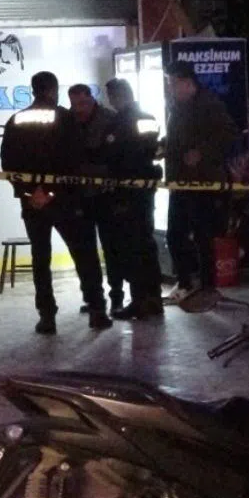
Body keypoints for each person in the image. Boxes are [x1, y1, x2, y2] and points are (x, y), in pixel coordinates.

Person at [1, 71, 111, 334]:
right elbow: (74, 160)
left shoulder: (17, 120)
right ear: (53, 90)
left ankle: (46, 316)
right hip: (66, 200)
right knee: (84, 254)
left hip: (32, 204)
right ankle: (96, 309)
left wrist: (30, 193)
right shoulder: (66, 118)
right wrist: (51, 192)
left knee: (40, 259)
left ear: (34, 90)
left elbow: (8, 163)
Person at [162, 60, 239, 302]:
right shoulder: (177, 107)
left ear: (187, 83)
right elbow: (178, 140)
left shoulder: (209, 104)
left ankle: (207, 286)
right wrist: (164, 147)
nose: (170, 88)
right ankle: (184, 282)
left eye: (173, 83)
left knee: (203, 236)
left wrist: (202, 153)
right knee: (175, 235)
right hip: (180, 182)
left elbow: (229, 135)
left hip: (204, 183)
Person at [104, 77, 165, 320]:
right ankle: (153, 299)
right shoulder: (147, 118)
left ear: (118, 97)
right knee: (146, 245)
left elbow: (118, 156)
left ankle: (140, 301)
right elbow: (152, 150)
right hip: (144, 190)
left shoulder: (119, 122)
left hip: (127, 192)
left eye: (112, 97)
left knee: (132, 248)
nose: (111, 102)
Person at [68, 84, 125, 312]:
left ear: (92, 99)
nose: (79, 109)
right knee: (84, 251)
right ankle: (94, 298)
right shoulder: (67, 121)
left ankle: (117, 297)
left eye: (83, 103)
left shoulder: (110, 119)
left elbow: (118, 157)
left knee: (112, 248)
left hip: (107, 194)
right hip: (80, 195)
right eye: (74, 104)